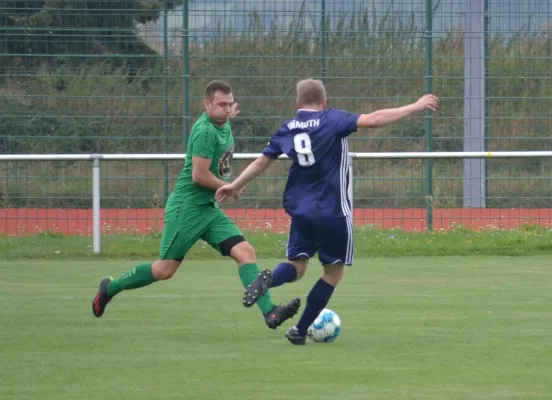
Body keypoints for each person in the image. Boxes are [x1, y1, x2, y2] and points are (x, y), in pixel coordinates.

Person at [215, 78, 439, 344]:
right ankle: (299, 330)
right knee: (333, 273)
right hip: (332, 211)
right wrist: (415, 106)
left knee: (296, 267)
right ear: (324, 101)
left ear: (298, 103)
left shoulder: (288, 127)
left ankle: (270, 280)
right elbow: (375, 119)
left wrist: (234, 185)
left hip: (301, 211)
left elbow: (262, 162)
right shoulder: (332, 119)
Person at [92, 80, 300, 330]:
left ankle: (271, 312)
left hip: (208, 210)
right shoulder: (204, 132)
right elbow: (198, 176)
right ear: (207, 104)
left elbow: (222, 127)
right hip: (187, 209)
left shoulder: (221, 122)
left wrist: (229, 116)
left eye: (230, 104)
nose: (226, 108)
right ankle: (109, 288)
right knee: (164, 270)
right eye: (221, 104)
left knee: (245, 253)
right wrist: (229, 186)